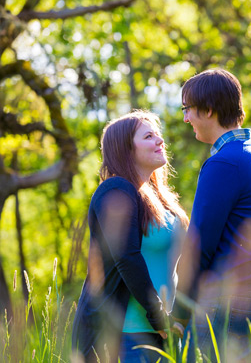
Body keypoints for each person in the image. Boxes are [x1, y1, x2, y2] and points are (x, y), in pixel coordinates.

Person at [174, 68, 251, 359]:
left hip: (231, 301)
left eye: (188, 109)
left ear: (208, 110)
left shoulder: (224, 164)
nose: (185, 119)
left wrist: (178, 313)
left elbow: (200, 246)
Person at [72, 110, 189, 363]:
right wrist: (159, 317)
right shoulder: (115, 189)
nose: (160, 141)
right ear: (126, 150)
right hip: (128, 335)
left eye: (158, 135)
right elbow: (127, 257)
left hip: (166, 332)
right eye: (149, 136)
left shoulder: (161, 198)